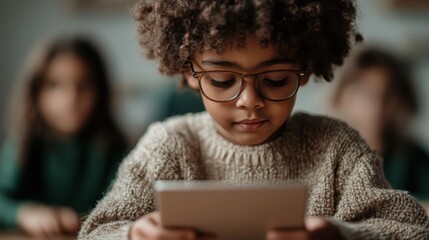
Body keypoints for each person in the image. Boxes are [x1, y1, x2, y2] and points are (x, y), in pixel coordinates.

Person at [79, 1, 429, 240]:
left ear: (304, 71)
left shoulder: (336, 148)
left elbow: (412, 230)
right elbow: (95, 232)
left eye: (275, 79)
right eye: (222, 81)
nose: (249, 102)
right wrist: (133, 234)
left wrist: (342, 234)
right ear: (188, 73)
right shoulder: (168, 146)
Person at [0, 36, 128, 238]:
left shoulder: (116, 148)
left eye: (83, 85)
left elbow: (126, 204)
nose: (71, 99)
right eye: (54, 85)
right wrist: (25, 213)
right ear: (35, 92)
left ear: (100, 91)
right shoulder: (22, 144)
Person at [330, 47, 429, 202]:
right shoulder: (327, 155)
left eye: (388, 95)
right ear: (342, 95)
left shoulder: (414, 158)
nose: (377, 106)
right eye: (365, 93)